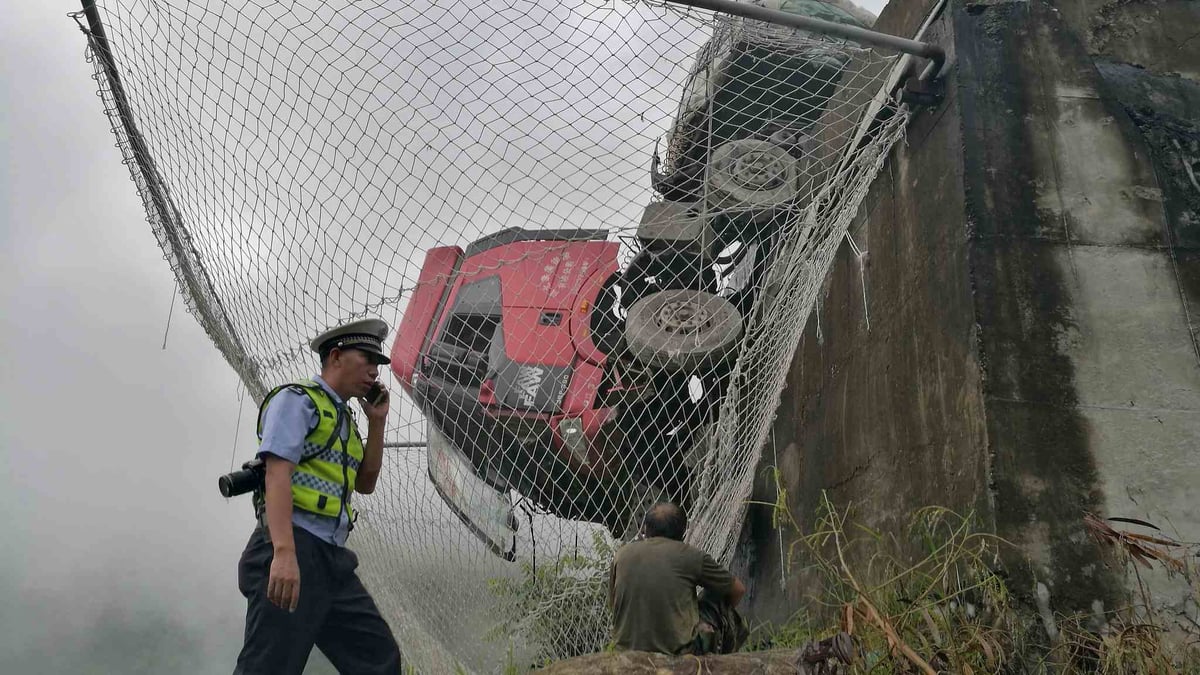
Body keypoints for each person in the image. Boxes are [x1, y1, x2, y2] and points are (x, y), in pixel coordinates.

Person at [234, 318, 402, 674]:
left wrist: (377, 422)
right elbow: (277, 473)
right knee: (270, 667)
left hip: (330, 558)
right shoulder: (297, 401)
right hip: (292, 546)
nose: (374, 370)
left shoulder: (345, 419)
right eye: (367, 359)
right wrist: (283, 553)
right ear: (336, 356)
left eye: (378, 364)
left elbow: (365, 483)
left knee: (378, 658)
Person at [608, 502, 748, 655]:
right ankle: (722, 663)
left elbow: (614, 603)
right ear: (683, 532)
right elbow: (738, 590)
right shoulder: (691, 556)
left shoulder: (622, 555)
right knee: (719, 596)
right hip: (679, 653)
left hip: (626, 651)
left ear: (645, 529)